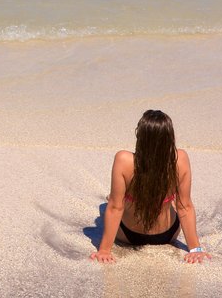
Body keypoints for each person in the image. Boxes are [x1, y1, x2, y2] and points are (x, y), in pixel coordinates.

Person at [90, 110, 211, 264]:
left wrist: (104, 250)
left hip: (129, 236)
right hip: (168, 234)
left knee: (111, 202)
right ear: (170, 137)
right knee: (172, 201)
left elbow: (115, 208)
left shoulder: (124, 160)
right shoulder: (180, 159)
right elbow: (184, 206)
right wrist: (195, 249)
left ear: (140, 137)